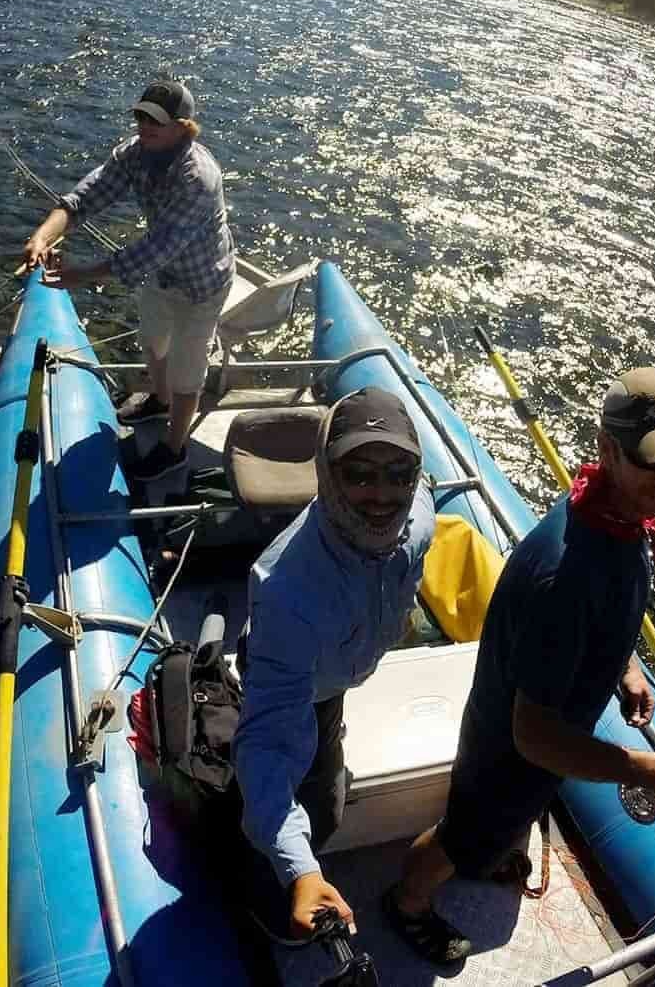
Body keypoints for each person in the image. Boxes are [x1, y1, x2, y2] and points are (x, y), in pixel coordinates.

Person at [383, 367, 655, 964]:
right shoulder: (566, 578)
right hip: (514, 750)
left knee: (498, 827)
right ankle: (408, 902)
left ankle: (491, 852)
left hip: (546, 732)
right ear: (606, 448)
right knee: (463, 835)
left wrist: (624, 665)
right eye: (652, 462)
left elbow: (603, 617)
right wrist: (653, 768)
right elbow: (532, 735)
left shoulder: (609, 511)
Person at [233, 386, 438, 943]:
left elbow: (422, 504)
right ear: (326, 474)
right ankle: (264, 889)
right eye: (359, 474)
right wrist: (301, 872)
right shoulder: (287, 593)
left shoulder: (419, 517)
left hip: (340, 669)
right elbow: (269, 744)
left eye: (400, 473)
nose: (382, 494)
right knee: (316, 805)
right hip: (297, 677)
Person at [25, 80, 234, 481]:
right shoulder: (134, 153)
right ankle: (158, 398)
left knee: (188, 371)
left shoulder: (198, 179)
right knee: (153, 341)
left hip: (202, 282)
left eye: (155, 120)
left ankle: (175, 449)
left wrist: (79, 276)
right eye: (140, 116)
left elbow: (156, 248)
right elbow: (86, 197)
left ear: (183, 127)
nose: (144, 125)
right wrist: (43, 235)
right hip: (162, 274)